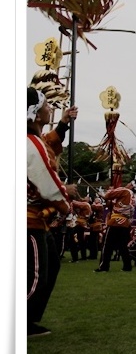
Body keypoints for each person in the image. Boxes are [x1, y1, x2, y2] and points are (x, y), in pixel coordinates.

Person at [27, 88, 78, 337]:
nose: (50, 108)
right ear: (36, 114)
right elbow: (47, 180)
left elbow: (49, 145)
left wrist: (64, 124)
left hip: (37, 220)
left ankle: (28, 321)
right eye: (46, 105)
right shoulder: (31, 143)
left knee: (50, 267)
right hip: (28, 220)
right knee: (36, 276)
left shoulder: (33, 141)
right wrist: (67, 199)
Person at [94, 166, 135, 273]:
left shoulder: (124, 191)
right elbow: (111, 203)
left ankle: (104, 267)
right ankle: (127, 266)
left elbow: (108, 196)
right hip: (125, 223)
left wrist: (105, 194)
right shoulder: (129, 197)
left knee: (107, 245)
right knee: (123, 246)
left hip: (116, 222)